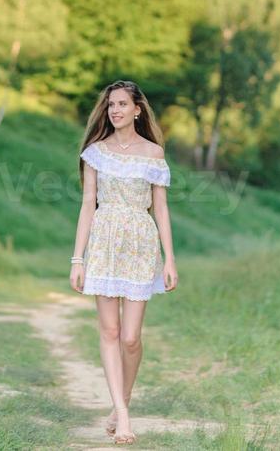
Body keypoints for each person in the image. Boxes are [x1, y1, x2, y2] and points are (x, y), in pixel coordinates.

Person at [70, 79, 178, 446]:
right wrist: (77, 258)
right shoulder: (96, 152)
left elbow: (160, 207)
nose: (114, 110)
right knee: (110, 332)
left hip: (140, 244)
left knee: (131, 338)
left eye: (121, 104)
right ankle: (124, 416)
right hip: (104, 242)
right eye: (110, 105)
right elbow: (88, 205)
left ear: (137, 109)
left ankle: (122, 402)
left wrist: (169, 258)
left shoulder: (153, 154)